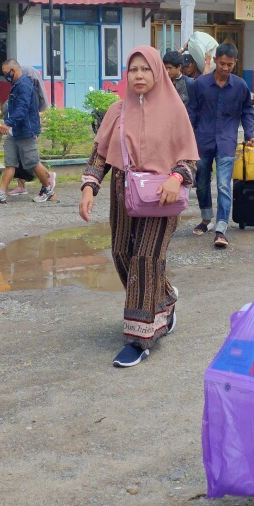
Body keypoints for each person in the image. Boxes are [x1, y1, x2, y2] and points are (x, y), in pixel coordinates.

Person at [79, 47, 198, 368]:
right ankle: (165, 299)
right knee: (122, 254)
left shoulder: (174, 112)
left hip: (163, 197)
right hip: (124, 195)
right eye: (133, 70)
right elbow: (100, 155)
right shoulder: (117, 111)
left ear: (158, 72)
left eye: (146, 69)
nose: (139, 75)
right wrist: (89, 186)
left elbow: (189, 158)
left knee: (146, 259)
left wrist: (177, 177)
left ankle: (139, 337)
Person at [187, 42, 254, 249]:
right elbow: (191, 111)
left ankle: (221, 229)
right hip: (203, 140)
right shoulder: (200, 84)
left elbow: (247, 111)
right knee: (201, 181)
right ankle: (206, 219)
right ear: (215, 61)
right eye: (222, 63)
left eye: (230, 65)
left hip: (226, 141)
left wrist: (249, 134)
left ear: (235, 63)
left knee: (224, 185)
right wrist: (188, 137)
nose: (226, 68)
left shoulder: (240, 86)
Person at [0, 61, 56, 204]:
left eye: (5, 73)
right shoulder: (17, 85)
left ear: (13, 71)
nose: (5, 76)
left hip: (25, 131)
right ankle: (1, 193)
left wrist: (8, 124)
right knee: (10, 163)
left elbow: (22, 110)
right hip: (15, 131)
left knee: (33, 162)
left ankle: (47, 190)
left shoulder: (24, 85)